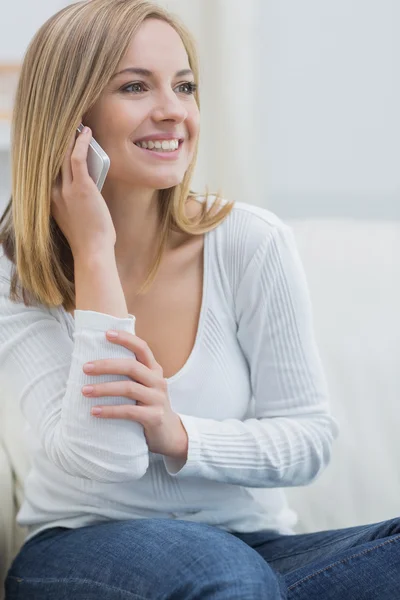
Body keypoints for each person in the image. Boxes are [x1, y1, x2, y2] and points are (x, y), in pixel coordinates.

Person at [0, 0, 399, 598]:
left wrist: (179, 434)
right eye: (135, 86)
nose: (173, 111)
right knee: (220, 576)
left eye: (184, 86)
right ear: (70, 116)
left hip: (253, 548)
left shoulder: (251, 242)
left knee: (243, 576)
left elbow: (310, 438)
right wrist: (94, 255)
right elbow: (108, 459)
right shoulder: (18, 271)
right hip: (83, 545)